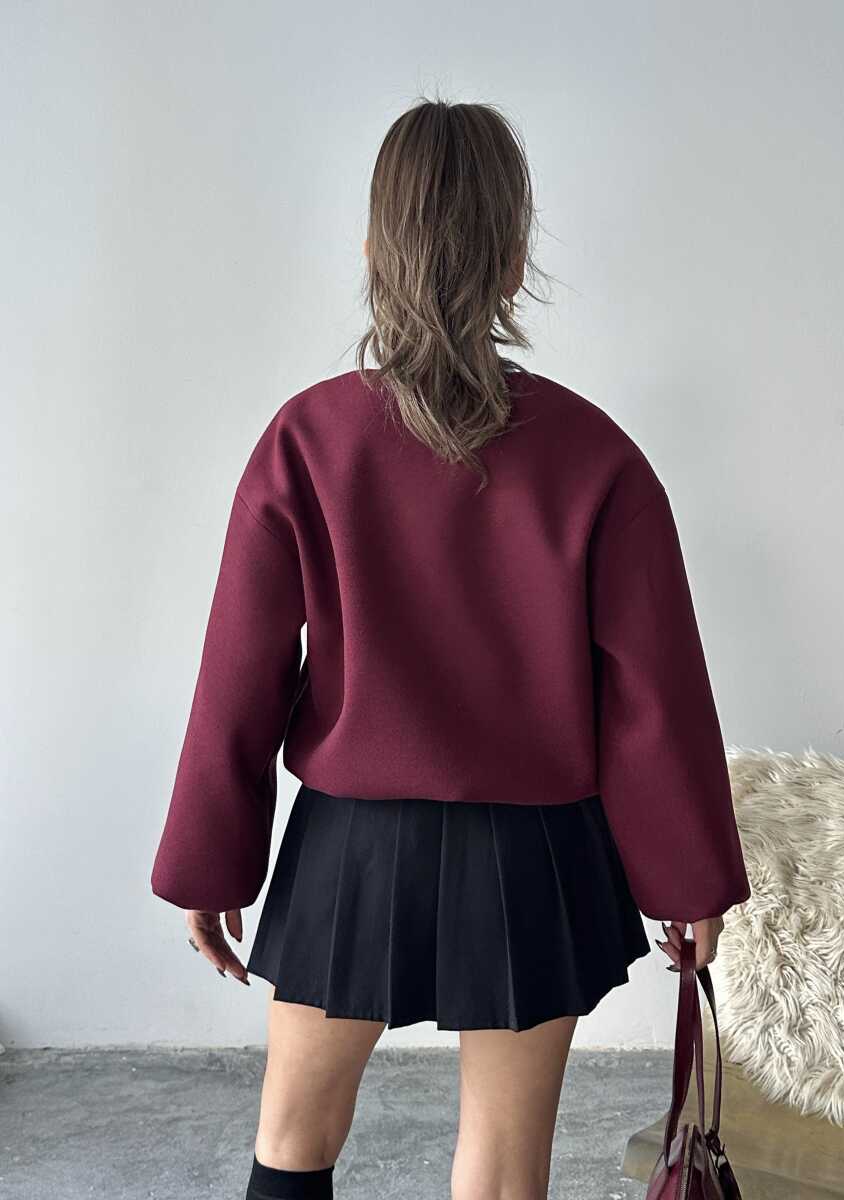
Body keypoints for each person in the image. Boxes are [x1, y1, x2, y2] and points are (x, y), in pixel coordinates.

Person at [150, 96, 751, 1200]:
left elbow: (239, 673)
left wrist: (209, 859)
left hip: (351, 847)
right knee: (505, 1171)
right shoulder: (597, 456)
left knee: (292, 1139)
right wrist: (688, 875)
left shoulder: (308, 438)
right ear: (515, 261)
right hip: (534, 855)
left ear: (373, 251)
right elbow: (651, 696)